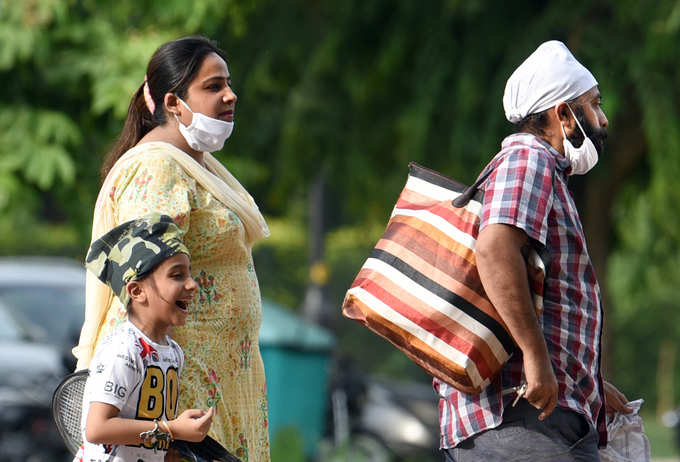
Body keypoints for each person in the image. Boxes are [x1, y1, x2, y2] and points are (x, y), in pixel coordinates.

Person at [73, 36, 271, 461]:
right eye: (213, 86)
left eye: (229, 84)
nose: (230, 95)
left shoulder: (196, 165)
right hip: (175, 392)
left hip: (210, 381)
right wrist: (166, 427)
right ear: (174, 102)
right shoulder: (156, 169)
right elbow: (144, 285)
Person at [435, 40, 633, 462]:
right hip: (518, 419)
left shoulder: (540, 169)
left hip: (531, 417)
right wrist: (535, 357)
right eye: (594, 105)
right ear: (563, 114)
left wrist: (589, 382)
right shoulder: (529, 160)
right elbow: (495, 250)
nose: (603, 119)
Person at [76, 213, 214, 461]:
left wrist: (172, 444)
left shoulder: (173, 352)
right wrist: (171, 430)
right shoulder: (123, 349)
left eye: (189, 274)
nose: (192, 285)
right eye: (177, 275)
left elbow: (153, 432)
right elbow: (97, 429)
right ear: (137, 291)